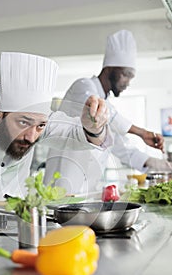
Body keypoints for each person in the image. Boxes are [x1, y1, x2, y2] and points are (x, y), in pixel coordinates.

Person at [0, 52, 111, 227]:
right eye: (23, 122)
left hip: (10, 225)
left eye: (40, 126)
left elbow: (78, 134)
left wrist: (94, 128)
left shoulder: (37, 123)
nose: (31, 137)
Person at [44, 30, 172, 195]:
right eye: (126, 75)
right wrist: (141, 132)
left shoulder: (107, 112)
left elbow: (121, 146)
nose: (127, 83)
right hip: (60, 186)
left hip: (85, 190)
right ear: (110, 69)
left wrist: (157, 164)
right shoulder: (82, 86)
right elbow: (103, 111)